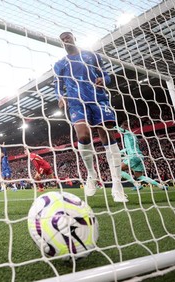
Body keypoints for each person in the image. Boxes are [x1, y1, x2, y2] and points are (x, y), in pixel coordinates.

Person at [54, 31, 128, 202]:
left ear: (74, 39)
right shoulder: (60, 64)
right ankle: (91, 174)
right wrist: (60, 96)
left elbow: (106, 75)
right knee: (83, 135)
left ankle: (117, 185)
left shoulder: (92, 56)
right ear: (61, 44)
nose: (66, 40)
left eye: (68, 37)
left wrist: (104, 80)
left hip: (98, 98)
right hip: (76, 101)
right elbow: (57, 85)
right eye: (63, 39)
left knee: (106, 135)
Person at [117, 120, 168, 191]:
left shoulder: (127, 133)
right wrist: (119, 153)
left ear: (126, 127)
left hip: (133, 156)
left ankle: (136, 184)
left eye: (122, 127)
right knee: (139, 176)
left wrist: (107, 125)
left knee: (118, 170)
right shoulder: (133, 136)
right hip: (140, 156)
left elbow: (118, 129)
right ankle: (161, 186)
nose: (120, 130)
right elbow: (128, 148)